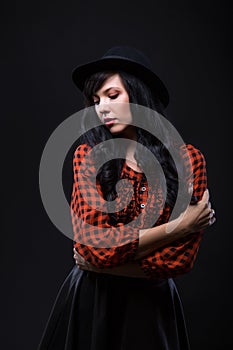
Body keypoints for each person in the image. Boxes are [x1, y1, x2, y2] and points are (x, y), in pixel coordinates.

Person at [38, 46, 216, 350]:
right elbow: (93, 249)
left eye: (112, 95)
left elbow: (180, 259)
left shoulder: (189, 161)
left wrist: (101, 262)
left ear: (139, 94)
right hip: (93, 301)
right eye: (95, 101)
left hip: (153, 309)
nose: (101, 108)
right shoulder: (88, 157)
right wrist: (180, 226)